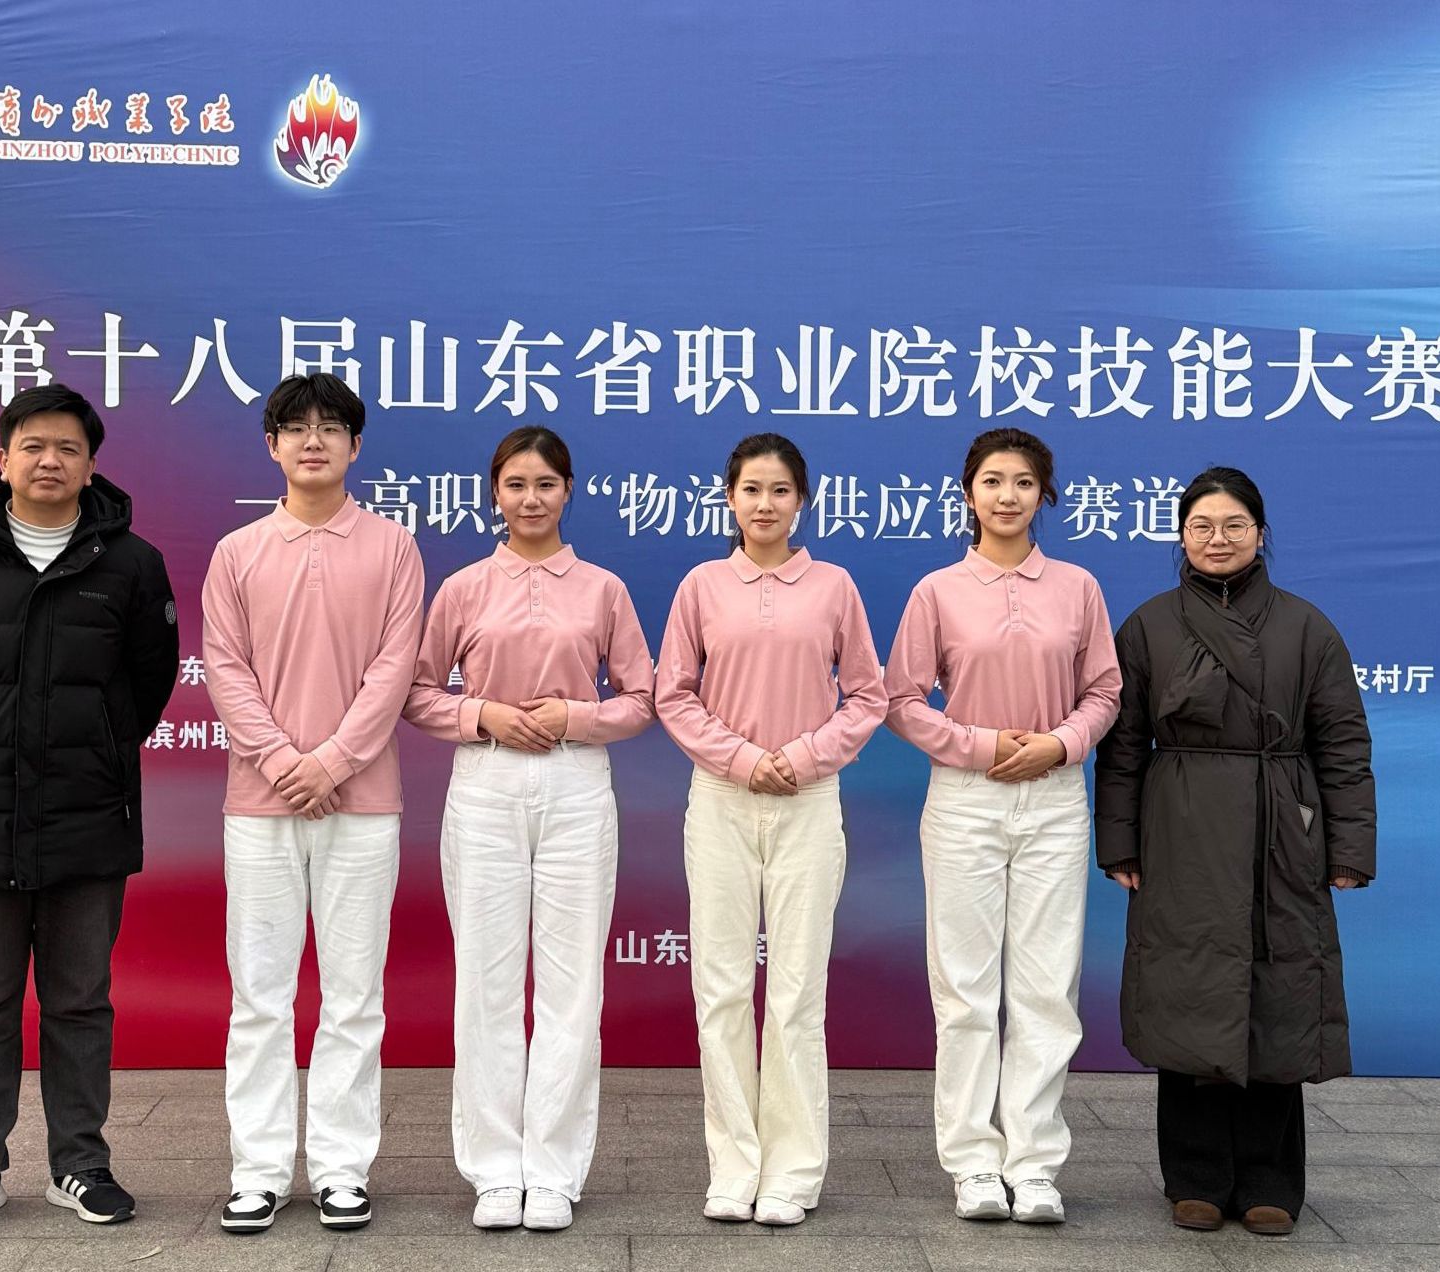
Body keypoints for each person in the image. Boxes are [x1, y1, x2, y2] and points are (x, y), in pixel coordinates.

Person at [0, 382, 179, 1236]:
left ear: (91, 466)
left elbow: (149, 684)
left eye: (67, 448)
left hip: (88, 815)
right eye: (33, 446)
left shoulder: (131, 564)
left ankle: (80, 1165)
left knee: (80, 1001)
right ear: (3, 459)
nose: (49, 460)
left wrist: (96, 747)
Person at [1093, 466, 1375, 1236]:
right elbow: (1122, 748)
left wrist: (1348, 847)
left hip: (1281, 830)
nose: (1217, 540)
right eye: (1202, 526)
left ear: (1260, 533)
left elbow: (1343, 745)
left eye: (1234, 526)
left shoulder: (1307, 627)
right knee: (1190, 989)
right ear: (1181, 536)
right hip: (1180, 828)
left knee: (1277, 996)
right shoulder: (1149, 625)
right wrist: (1118, 841)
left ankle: (1270, 1179)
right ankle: (1193, 1175)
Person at [403, 426, 655, 1232]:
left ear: (568, 491)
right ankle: (492, 1168)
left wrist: (576, 717)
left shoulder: (604, 589)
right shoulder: (464, 588)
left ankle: (552, 1169)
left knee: (572, 983)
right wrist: (485, 715)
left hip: (578, 784)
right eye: (516, 484)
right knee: (487, 979)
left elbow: (641, 700)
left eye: (546, 484)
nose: (531, 498)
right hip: (487, 783)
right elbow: (416, 692)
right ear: (495, 494)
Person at [201, 373, 425, 1234]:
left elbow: (395, 669)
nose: (314, 441)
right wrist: (283, 762)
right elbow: (226, 668)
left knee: (353, 994)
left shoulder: (394, 548)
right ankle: (257, 1171)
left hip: (361, 804)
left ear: (355, 447)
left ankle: (340, 1168)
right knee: (260, 994)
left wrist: (330, 762)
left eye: (332, 428)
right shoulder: (237, 551)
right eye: (296, 428)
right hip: (259, 805)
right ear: (272, 446)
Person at [884, 428, 1119, 1225]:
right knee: (966, 990)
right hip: (965, 798)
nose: (1007, 495)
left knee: (1046, 987)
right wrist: (981, 746)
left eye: (1022, 481)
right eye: (992, 481)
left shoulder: (1078, 587)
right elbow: (902, 700)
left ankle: (1035, 1163)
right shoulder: (938, 591)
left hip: (1054, 797)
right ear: (969, 494)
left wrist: (1061, 743)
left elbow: (1105, 691)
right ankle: (974, 1162)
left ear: (1044, 494)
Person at [654, 432, 885, 1227]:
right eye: (751, 490)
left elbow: (868, 695)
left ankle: (792, 1171)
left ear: (801, 501)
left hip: (809, 800)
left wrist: (805, 756)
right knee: (721, 987)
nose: (765, 504)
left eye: (780, 491)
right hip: (722, 797)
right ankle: (733, 1165)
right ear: (730, 498)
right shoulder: (701, 586)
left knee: (795, 992)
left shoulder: (833, 586)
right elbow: (674, 694)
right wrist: (744, 759)